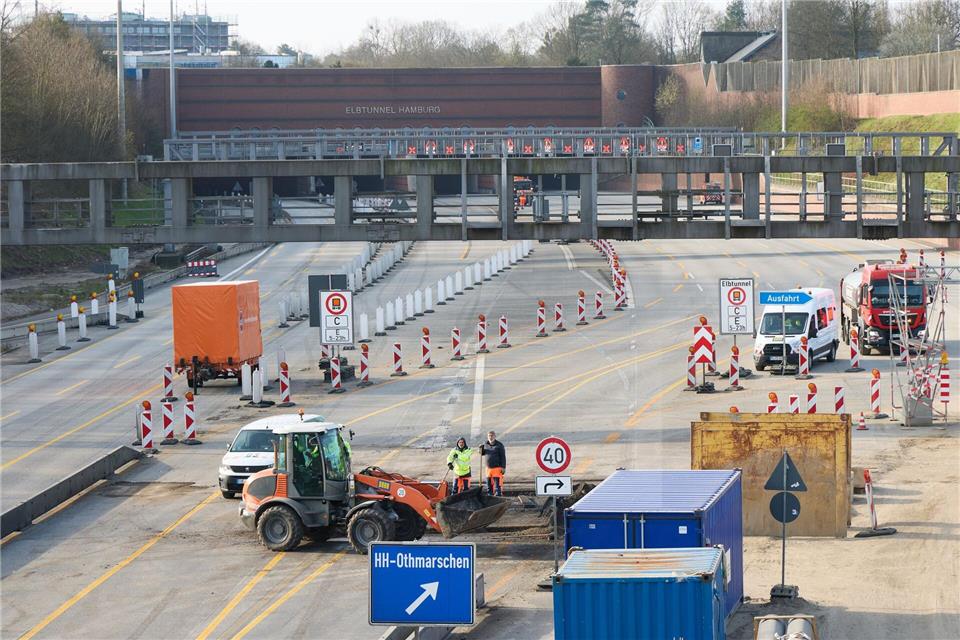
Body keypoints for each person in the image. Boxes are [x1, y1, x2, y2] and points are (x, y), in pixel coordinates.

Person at [479, 431, 506, 496]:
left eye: (492, 436)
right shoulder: (485, 444)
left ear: (495, 436)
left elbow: (503, 456)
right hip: (488, 469)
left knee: (497, 485)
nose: (490, 437)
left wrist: (503, 467)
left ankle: (498, 497)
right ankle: (490, 497)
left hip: (497, 468)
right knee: (489, 485)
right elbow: (482, 453)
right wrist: (480, 449)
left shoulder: (499, 445)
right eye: (489, 436)